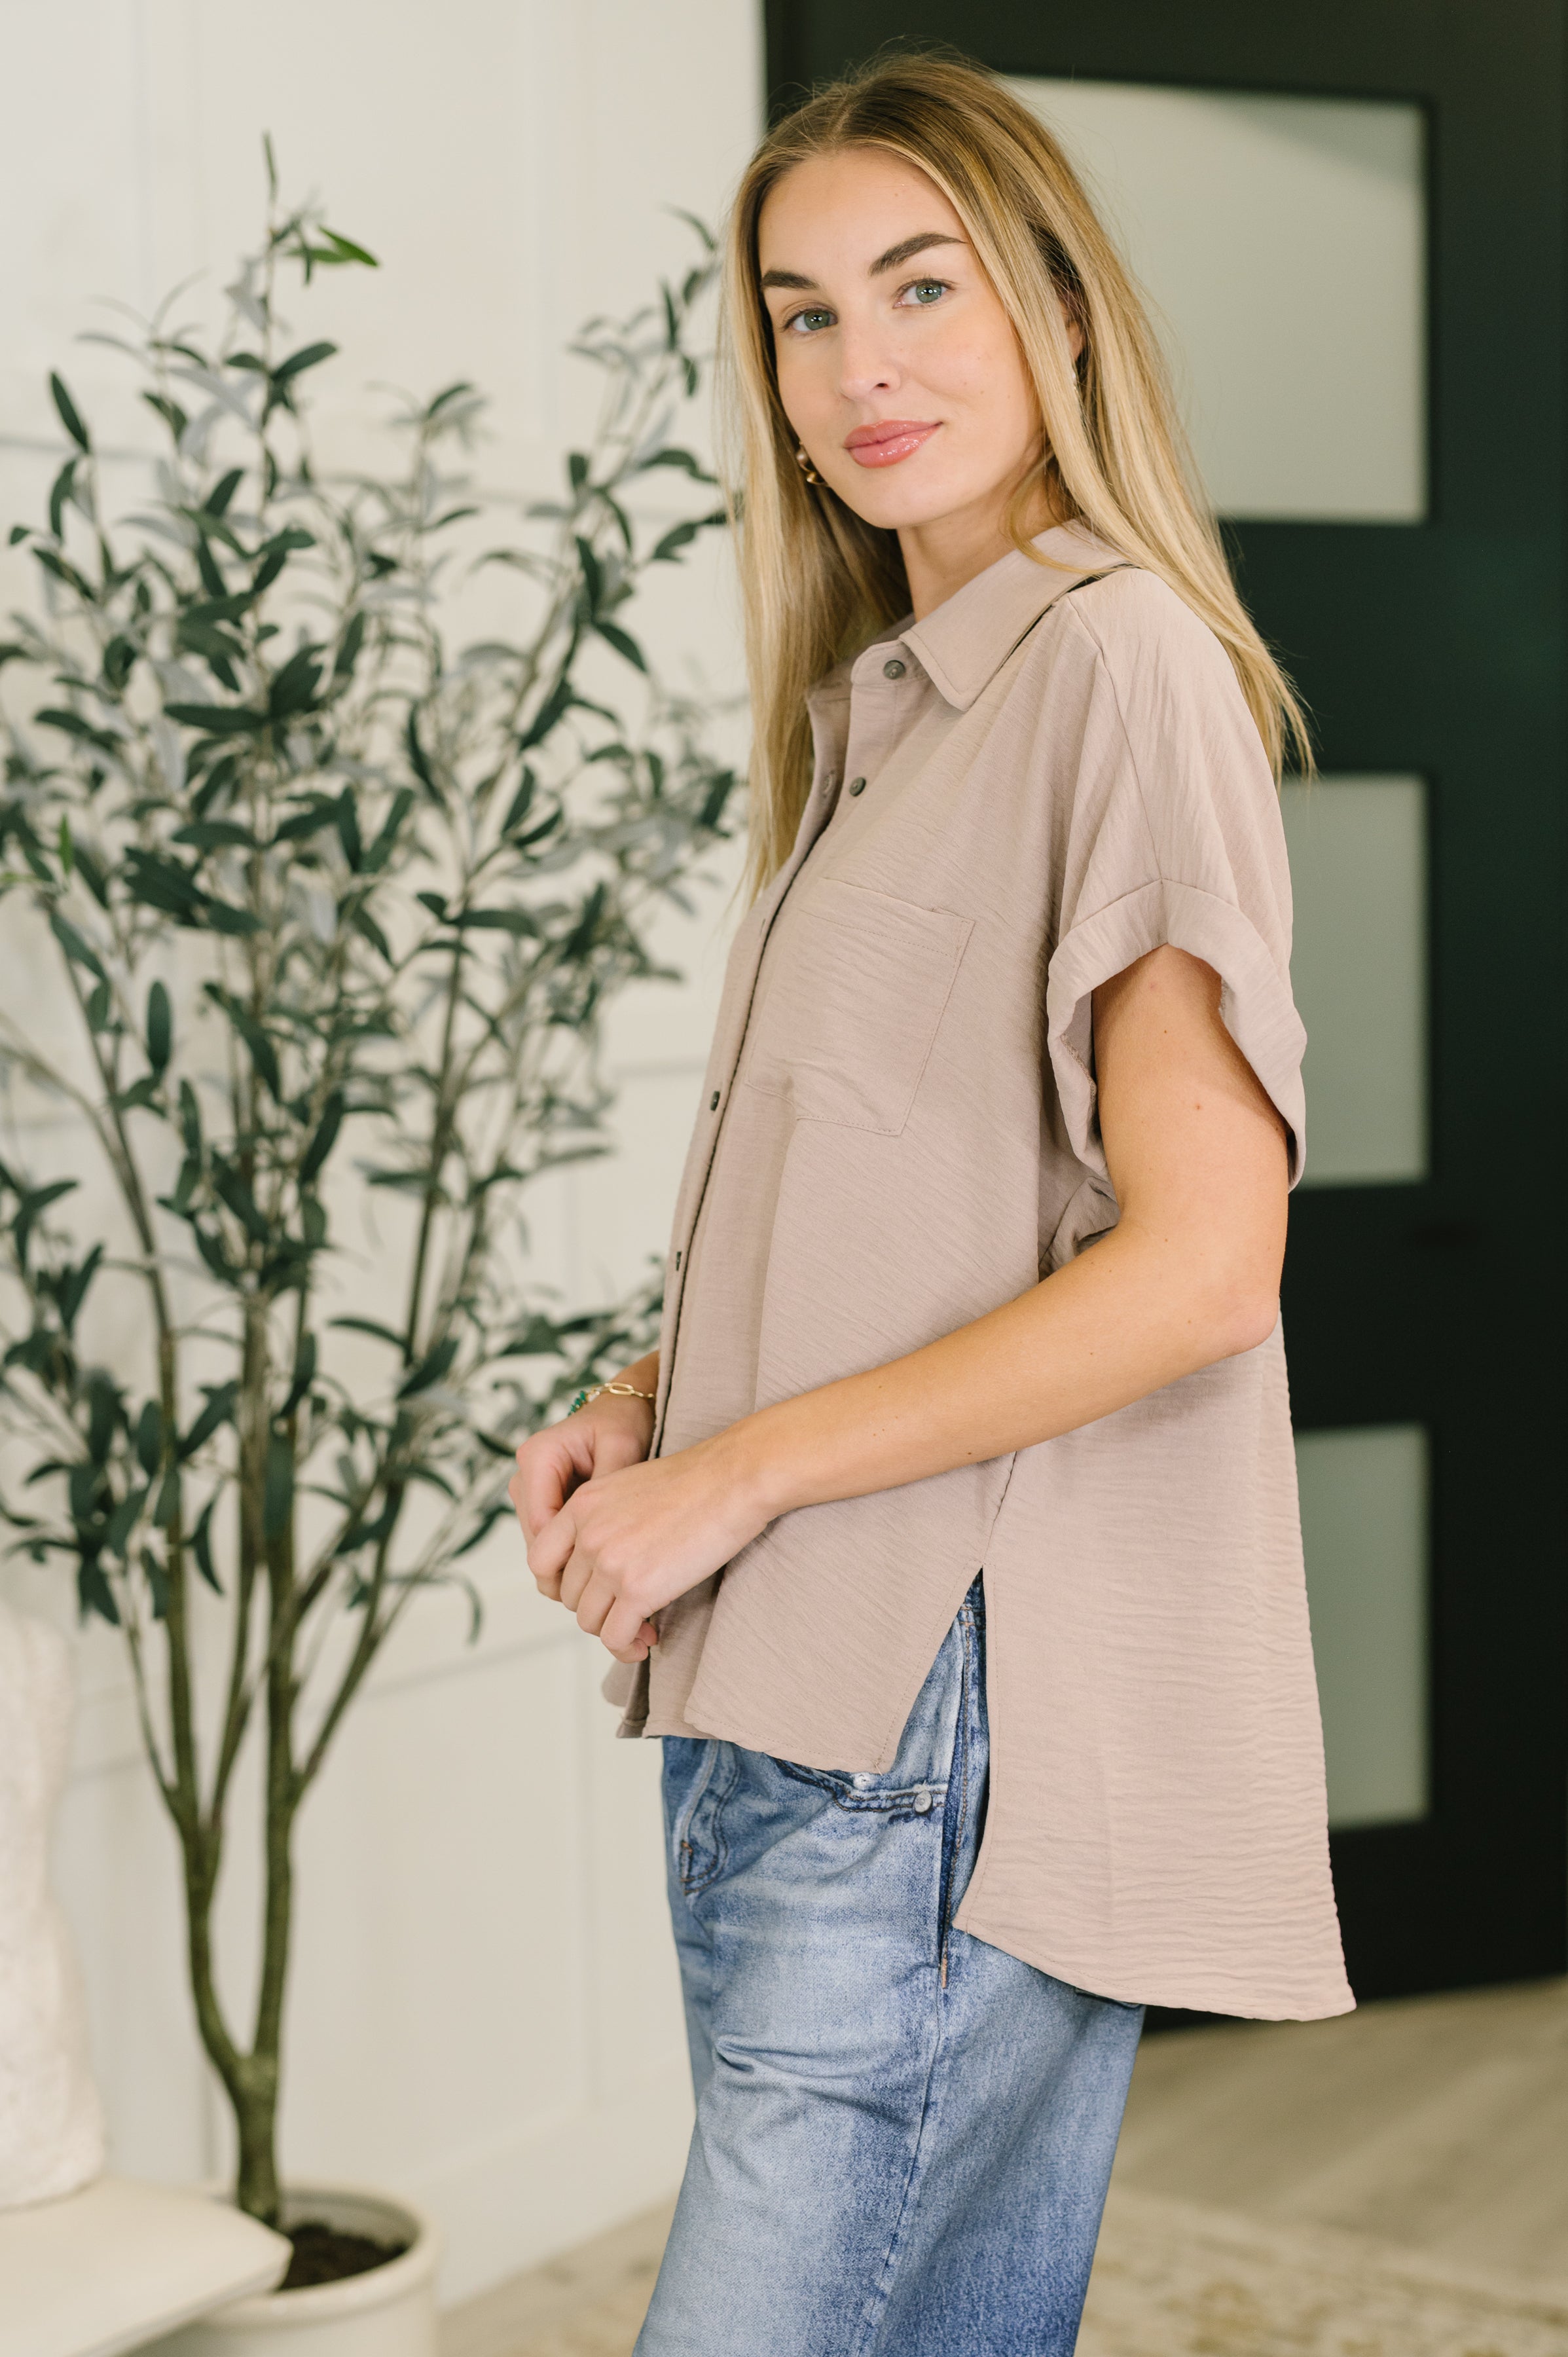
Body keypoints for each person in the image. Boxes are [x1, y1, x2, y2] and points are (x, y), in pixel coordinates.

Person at [509, 50, 1351, 2357]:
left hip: (929, 1718)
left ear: (1060, 316)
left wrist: (734, 1479)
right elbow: (924, 1203)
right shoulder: (880, 717)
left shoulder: (1118, 669)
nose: (858, 363)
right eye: (798, 315)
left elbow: (1197, 1264)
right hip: (783, 1691)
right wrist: (655, 1404)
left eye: (921, 286)